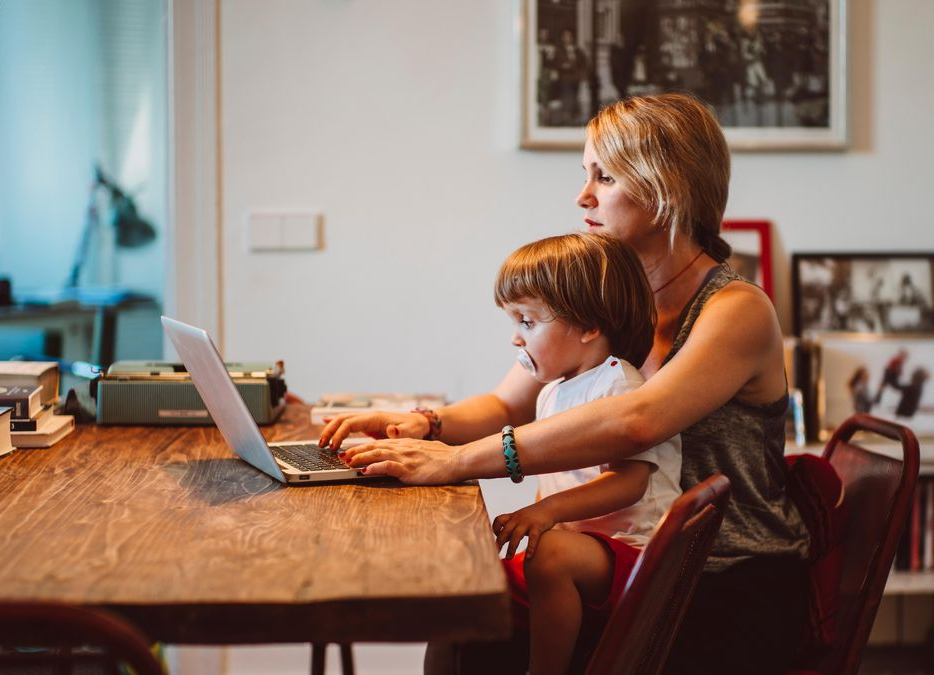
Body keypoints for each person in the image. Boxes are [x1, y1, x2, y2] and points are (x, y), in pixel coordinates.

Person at [320, 93, 810, 674]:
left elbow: (639, 421)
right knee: (466, 622)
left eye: (604, 177)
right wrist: (423, 424)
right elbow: (508, 403)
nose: (583, 197)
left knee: (483, 638)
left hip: (725, 583)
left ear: (667, 188)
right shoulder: (609, 297)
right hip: (635, 564)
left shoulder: (735, 308)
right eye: (586, 176)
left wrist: (454, 462)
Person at [490, 232, 682, 675]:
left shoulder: (618, 385)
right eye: (514, 322)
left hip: (636, 553)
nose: (517, 339)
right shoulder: (552, 393)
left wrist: (546, 515)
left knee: (551, 554)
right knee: (478, 578)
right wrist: (538, 516)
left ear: (588, 326)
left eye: (528, 322)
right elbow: (554, 481)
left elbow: (630, 481)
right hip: (588, 548)